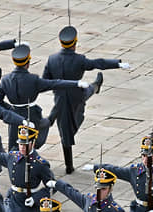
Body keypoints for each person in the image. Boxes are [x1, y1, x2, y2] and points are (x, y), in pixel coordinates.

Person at [43, 26, 130, 173]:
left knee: (65, 131)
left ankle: (96, 85)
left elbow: (45, 81)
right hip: (76, 96)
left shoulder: (52, 59)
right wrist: (117, 63)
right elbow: (98, 63)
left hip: (63, 98)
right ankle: (69, 166)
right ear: (75, 43)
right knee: (68, 129)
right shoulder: (79, 59)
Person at [0, 44, 94, 151]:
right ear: (28, 63)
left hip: (14, 115)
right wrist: (75, 83)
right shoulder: (33, 80)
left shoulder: (6, 80)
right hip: (31, 114)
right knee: (37, 134)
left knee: (15, 144)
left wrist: (10, 108)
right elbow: (55, 83)